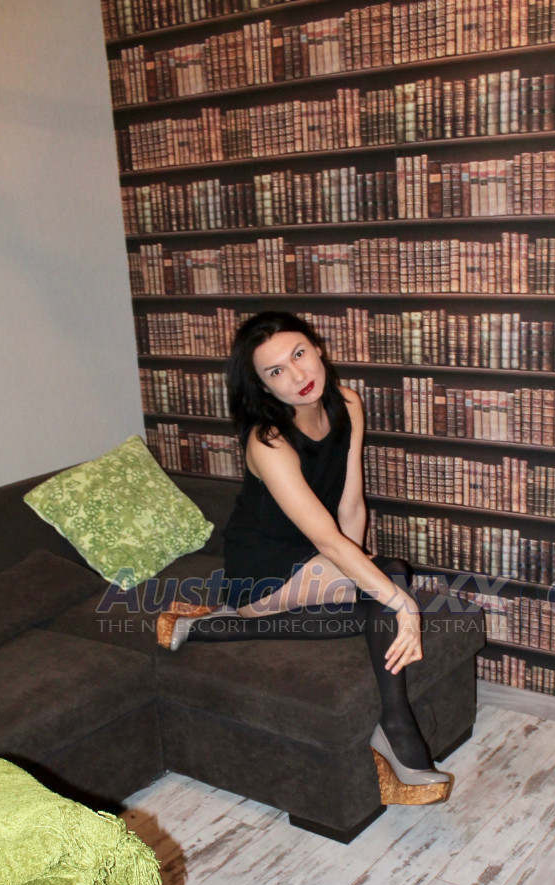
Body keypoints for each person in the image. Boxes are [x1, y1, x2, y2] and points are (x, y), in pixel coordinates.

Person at [157, 310, 449, 801]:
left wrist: (362, 575)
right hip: (261, 571)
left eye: (299, 354)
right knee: (392, 582)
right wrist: (400, 601)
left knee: (377, 592)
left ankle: (210, 626)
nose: (297, 376)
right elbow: (330, 541)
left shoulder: (348, 404)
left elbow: (350, 505)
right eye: (276, 371)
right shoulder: (268, 441)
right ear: (264, 386)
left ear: (318, 348)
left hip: (312, 552)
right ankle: (396, 730)